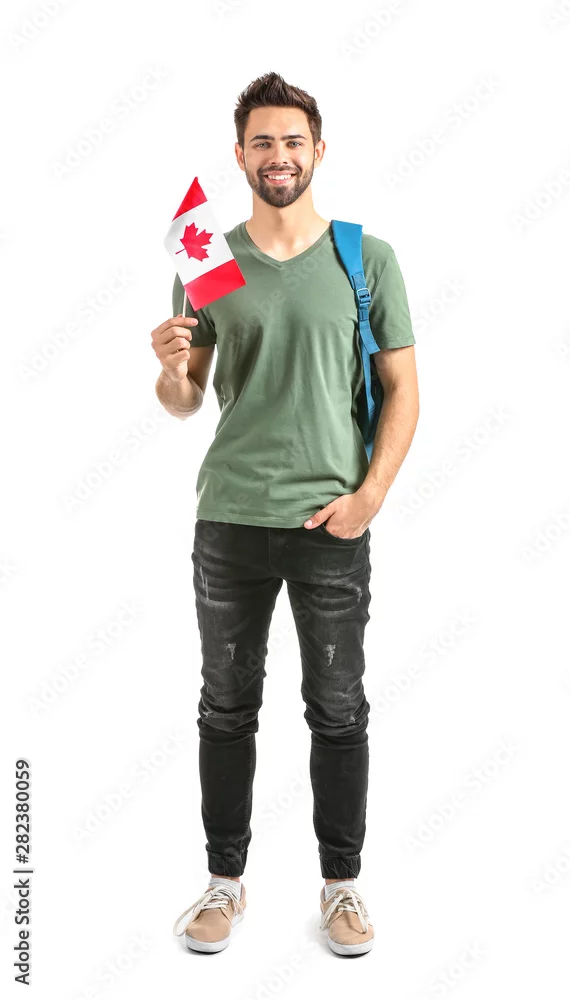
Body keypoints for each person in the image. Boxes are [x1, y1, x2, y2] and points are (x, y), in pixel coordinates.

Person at [152, 72, 419, 957]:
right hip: (230, 519)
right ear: (240, 156)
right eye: (262, 141)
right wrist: (169, 368)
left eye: (293, 141)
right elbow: (185, 400)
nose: (279, 155)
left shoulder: (365, 258)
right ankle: (223, 883)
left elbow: (404, 390)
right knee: (226, 707)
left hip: (330, 525)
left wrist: (369, 498)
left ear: (318, 150)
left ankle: (341, 888)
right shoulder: (208, 259)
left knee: (338, 710)